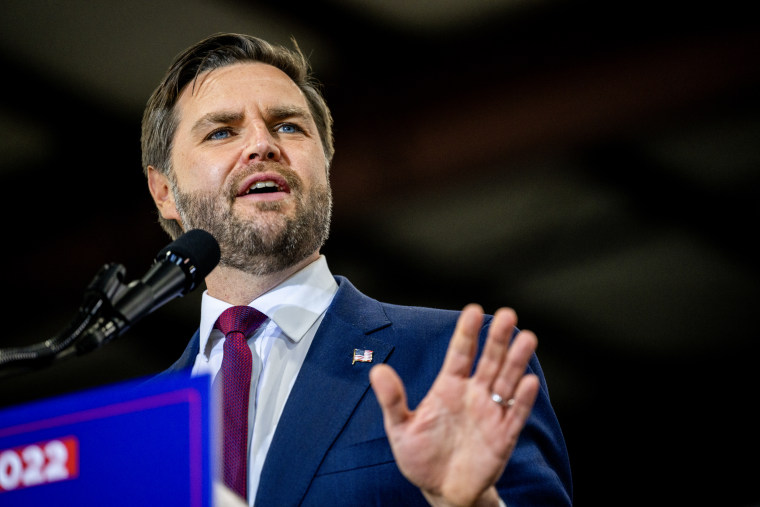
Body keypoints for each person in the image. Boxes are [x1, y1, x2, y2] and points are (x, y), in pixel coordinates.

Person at [142, 32, 572, 506]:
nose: (262, 145)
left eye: (288, 126)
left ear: (324, 163)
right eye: (222, 132)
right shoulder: (134, 427)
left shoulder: (449, 360)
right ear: (164, 191)